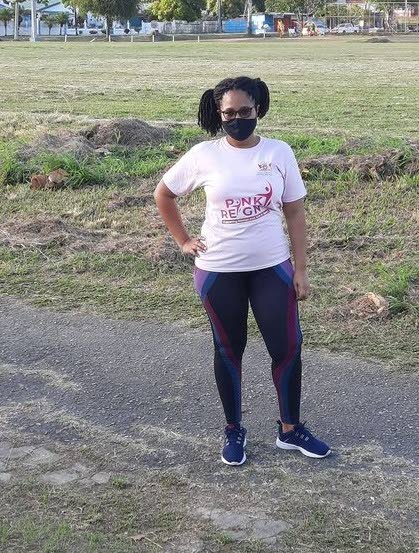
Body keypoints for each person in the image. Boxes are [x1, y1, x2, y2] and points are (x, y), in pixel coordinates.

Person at [154, 76, 331, 466]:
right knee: (228, 349)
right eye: (229, 114)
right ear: (219, 115)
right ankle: (234, 430)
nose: (237, 119)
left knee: (287, 347)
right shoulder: (204, 154)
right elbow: (164, 194)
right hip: (218, 271)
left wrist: (301, 268)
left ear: (259, 110)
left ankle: (291, 429)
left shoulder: (279, 152)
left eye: (245, 112)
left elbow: (295, 212)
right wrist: (184, 240)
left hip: (272, 269)